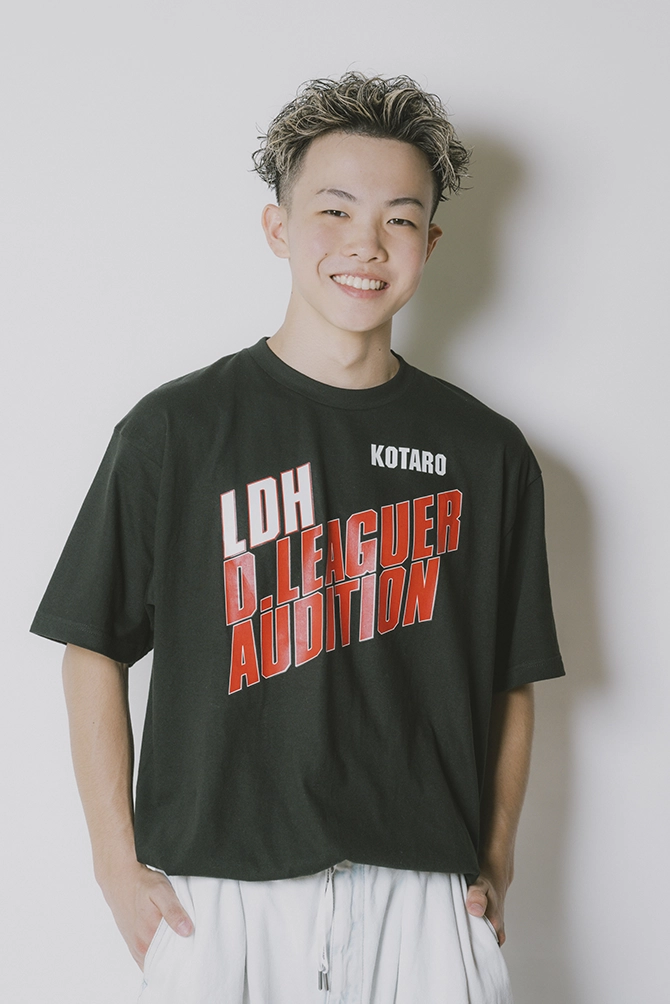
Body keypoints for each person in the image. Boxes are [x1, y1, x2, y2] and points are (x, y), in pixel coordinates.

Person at [30, 71, 565, 1004]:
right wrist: (117, 868)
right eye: (334, 210)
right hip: (221, 897)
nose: (366, 243)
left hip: (422, 898)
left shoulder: (487, 453)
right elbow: (91, 645)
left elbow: (510, 677)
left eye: (400, 218)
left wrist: (496, 858)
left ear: (431, 243)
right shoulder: (176, 432)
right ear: (278, 228)